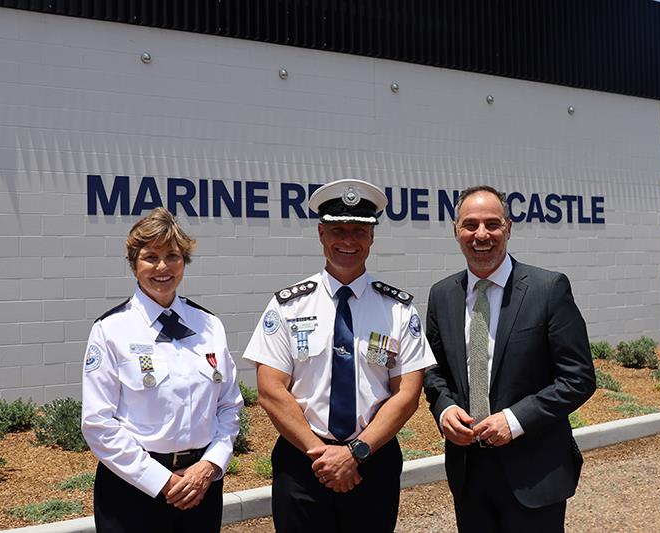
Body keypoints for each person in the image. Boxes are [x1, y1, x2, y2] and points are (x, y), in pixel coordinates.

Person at [243, 178, 436, 533]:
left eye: (359, 231)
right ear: (320, 233)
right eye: (338, 229)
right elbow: (271, 389)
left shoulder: (397, 310)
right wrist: (321, 455)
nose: (348, 240)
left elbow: (407, 394)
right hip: (303, 462)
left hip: (372, 460)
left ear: (372, 237)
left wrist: (355, 452)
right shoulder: (288, 306)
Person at [423, 185, 596, 532]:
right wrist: (443, 408)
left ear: (509, 228)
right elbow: (432, 370)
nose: (481, 234)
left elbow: (578, 378)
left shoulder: (548, 289)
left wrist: (515, 420)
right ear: (456, 231)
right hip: (469, 470)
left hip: (534, 471)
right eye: (470, 225)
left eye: (492, 224)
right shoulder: (442, 295)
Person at [81, 207, 243, 533]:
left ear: (184, 262)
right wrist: (162, 480)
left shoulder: (209, 325)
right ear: (133, 264)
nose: (162, 267)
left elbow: (229, 407)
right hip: (133, 491)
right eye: (150, 256)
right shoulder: (111, 330)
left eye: (172, 255)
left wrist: (209, 466)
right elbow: (98, 424)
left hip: (200, 486)